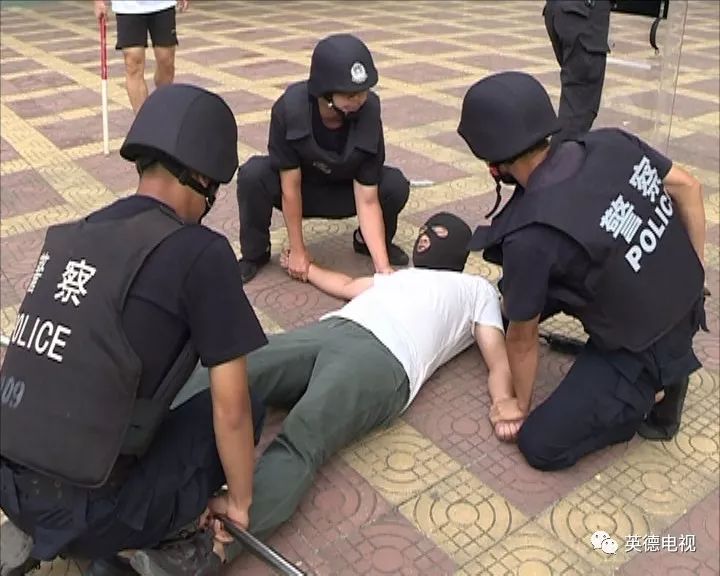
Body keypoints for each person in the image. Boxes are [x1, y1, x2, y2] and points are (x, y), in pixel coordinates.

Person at [0, 84, 267, 576]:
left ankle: (39, 527)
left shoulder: (72, 234)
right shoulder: (202, 252)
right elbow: (232, 410)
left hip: (8, 482)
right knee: (250, 402)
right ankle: (143, 552)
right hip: (93, 511)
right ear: (205, 178)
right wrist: (241, 504)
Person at [184, 212, 514, 558]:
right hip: (331, 330)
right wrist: (307, 269)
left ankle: (215, 546)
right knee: (235, 367)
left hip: (385, 356)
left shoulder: (476, 289)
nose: (425, 237)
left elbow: (497, 355)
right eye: (424, 230)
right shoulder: (399, 275)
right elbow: (345, 286)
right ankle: (138, 433)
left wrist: (503, 399)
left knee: (304, 432)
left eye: (439, 233)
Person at [457, 71, 708, 472]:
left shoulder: (530, 233)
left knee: (541, 445)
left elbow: (522, 340)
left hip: (645, 343)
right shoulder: (608, 141)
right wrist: (693, 275)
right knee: (517, 294)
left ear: (492, 163)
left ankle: (657, 392)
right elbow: (688, 188)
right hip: (680, 292)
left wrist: (515, 404)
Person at [236, 33, 411, 284]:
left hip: (344, 191)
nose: (360, 100)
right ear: (325, 93)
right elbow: (290, 188)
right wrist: (298, 251)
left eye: (363, 92)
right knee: (253, 175)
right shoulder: (289, 110)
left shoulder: (369, 111)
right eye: (350, 95)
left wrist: (383, 270)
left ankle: (367, 242)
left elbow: (368, 199)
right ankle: (255, 253)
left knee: (395, 185)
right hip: (302, 192)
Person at [93, 0, 190, 113]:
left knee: (166, 61)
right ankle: (143, 121)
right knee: (133, 63)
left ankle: (163, 105)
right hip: (127, 7)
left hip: (162, 5)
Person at [543, 0, 612, 143]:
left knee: (576, 99)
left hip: (566, 10)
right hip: (582, 13)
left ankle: (559, 158)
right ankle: (559, 162)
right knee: (578, 111)